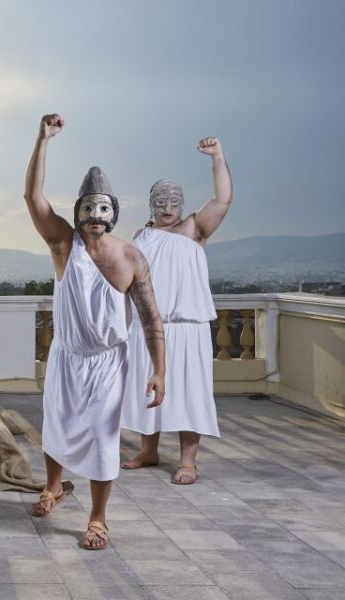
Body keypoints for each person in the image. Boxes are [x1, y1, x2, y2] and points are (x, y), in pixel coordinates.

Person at [22, 115, 166, 550]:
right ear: (79, 213)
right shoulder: (65, 245)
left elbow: (150, 318)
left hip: (108, 361)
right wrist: (42, 139)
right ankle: (52, 487)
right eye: (87, 210)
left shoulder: (131, 258)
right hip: (67, 355)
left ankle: (98, 517)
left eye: (102, 210)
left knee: (103, 436)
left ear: (112, 212)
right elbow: (33, 197)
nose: (94, 218)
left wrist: (161, 370)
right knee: (57, 427)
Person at [120, 137, 232, 485]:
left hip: (187, 327)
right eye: (160, 200)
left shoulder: (193, 228)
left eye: (174, 201)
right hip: (147, 326)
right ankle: (148, 450)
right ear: (151, 204)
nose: (167, 206)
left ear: (182, 204)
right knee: (147, 389)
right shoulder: (141, 235)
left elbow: (223, 198)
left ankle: (187, 461)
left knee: (188, 391)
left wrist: (217, 156)